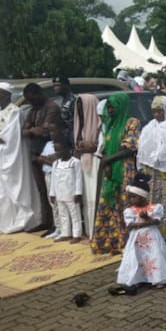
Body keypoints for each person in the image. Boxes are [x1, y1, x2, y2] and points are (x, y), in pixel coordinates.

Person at [91, 93, 141, 255]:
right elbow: (105, 148)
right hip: (110, 171)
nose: (110, 111)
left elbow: (130, 148)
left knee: (126, 205)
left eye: (113, 107)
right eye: (109, 108)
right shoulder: (111, 125)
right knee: (110, 204)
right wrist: (106, 164)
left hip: (126, 170)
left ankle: (130, 242)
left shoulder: (131, 123)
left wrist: (108, 160)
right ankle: (114, 241)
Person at [109, 174, 166, 296]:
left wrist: (147, 218)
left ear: (143, 197)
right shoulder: (129, 211)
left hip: (152, 240)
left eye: (133, 197)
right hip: (137, 241)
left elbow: (157, 221)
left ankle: (157, 278)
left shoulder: (155, 208)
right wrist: (143, 222)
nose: (130, 200)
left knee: (154, 256)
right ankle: (140, 278)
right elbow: (130, 225)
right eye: (129, 197)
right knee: (138, 258)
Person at [137, 96, 166, 255]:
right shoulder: (149, 127)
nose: (156, 114)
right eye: (154, 111)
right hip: (151, 172)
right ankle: (159, 239)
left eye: (160, 111)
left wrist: (157, 157)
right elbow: (142, 149)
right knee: (154, 204)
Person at [0, 82, 39, 233]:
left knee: (16, 187)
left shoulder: (15, 112)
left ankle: (22, 219)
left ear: (6, 95)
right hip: (1, 156)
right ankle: (7, 220)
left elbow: (11, 137)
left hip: (13, 157)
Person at [22, 83, 60, 233]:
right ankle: (46, 221)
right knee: (42, 190)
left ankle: (57, 225)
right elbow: (24, 131)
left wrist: (31, 130)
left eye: (32, 99)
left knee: (52, 190)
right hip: (35, 152)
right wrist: (33, 130)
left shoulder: (51, 108)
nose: (30, 102)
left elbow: (45, 132)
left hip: (49, 153)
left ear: (39, 94)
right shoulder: (33, 110)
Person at [73, 94, 100, 238]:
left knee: (94, 197)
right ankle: (90, 231)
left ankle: (98, 231)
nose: (80, 111)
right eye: (78, 108)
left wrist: (90, 147)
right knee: (86, 199)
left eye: (81, 108)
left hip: (96, 163)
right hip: (83, 163)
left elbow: (99, 147)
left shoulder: (100, 122)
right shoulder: (79, 125)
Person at [49, 139, 83, 244]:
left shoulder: (75, 162)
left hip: (71, 194)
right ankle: (65, 233)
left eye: (59, 150)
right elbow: (53, 180)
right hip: (59, 193)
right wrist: (52, 193)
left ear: (68, 149)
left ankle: (77, 234)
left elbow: (78, 178)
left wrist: (78, 193)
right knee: (63, 214)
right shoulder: (55, 163)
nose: (57, 153)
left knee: (75, 215)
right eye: (55, 150)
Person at [53, 76, 77, 147]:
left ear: (66, 86)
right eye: (54, 86)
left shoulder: (73, 100)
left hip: (72, 139)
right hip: (65, 138)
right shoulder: (63, 100)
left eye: (58, 85)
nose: (55, 88)